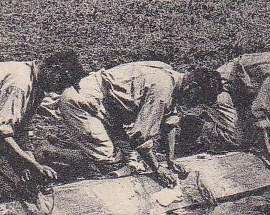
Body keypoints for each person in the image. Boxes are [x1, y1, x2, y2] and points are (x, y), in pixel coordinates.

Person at [56, 61, 222, 185]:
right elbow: (140, 138)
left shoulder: (173, 78)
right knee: (114, 165)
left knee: (133, 162)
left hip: (107, 110)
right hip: (82, 103)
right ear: (192, 87)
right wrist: (158, 170)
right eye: (198, 99)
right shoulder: (162, 92)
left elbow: (169, 123)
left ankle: (80, 146)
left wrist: (171, 160)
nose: (195, 105)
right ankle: (51, 154)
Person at [0, 53, 84, 187]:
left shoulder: (37, 85)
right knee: (5, 186)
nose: (60, 89)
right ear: (54, 69)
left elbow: (21, 129)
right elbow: (2, 133)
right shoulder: (19, 84)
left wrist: (28, 163)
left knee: (22, 174)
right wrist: (33, 164)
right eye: (62, 82)